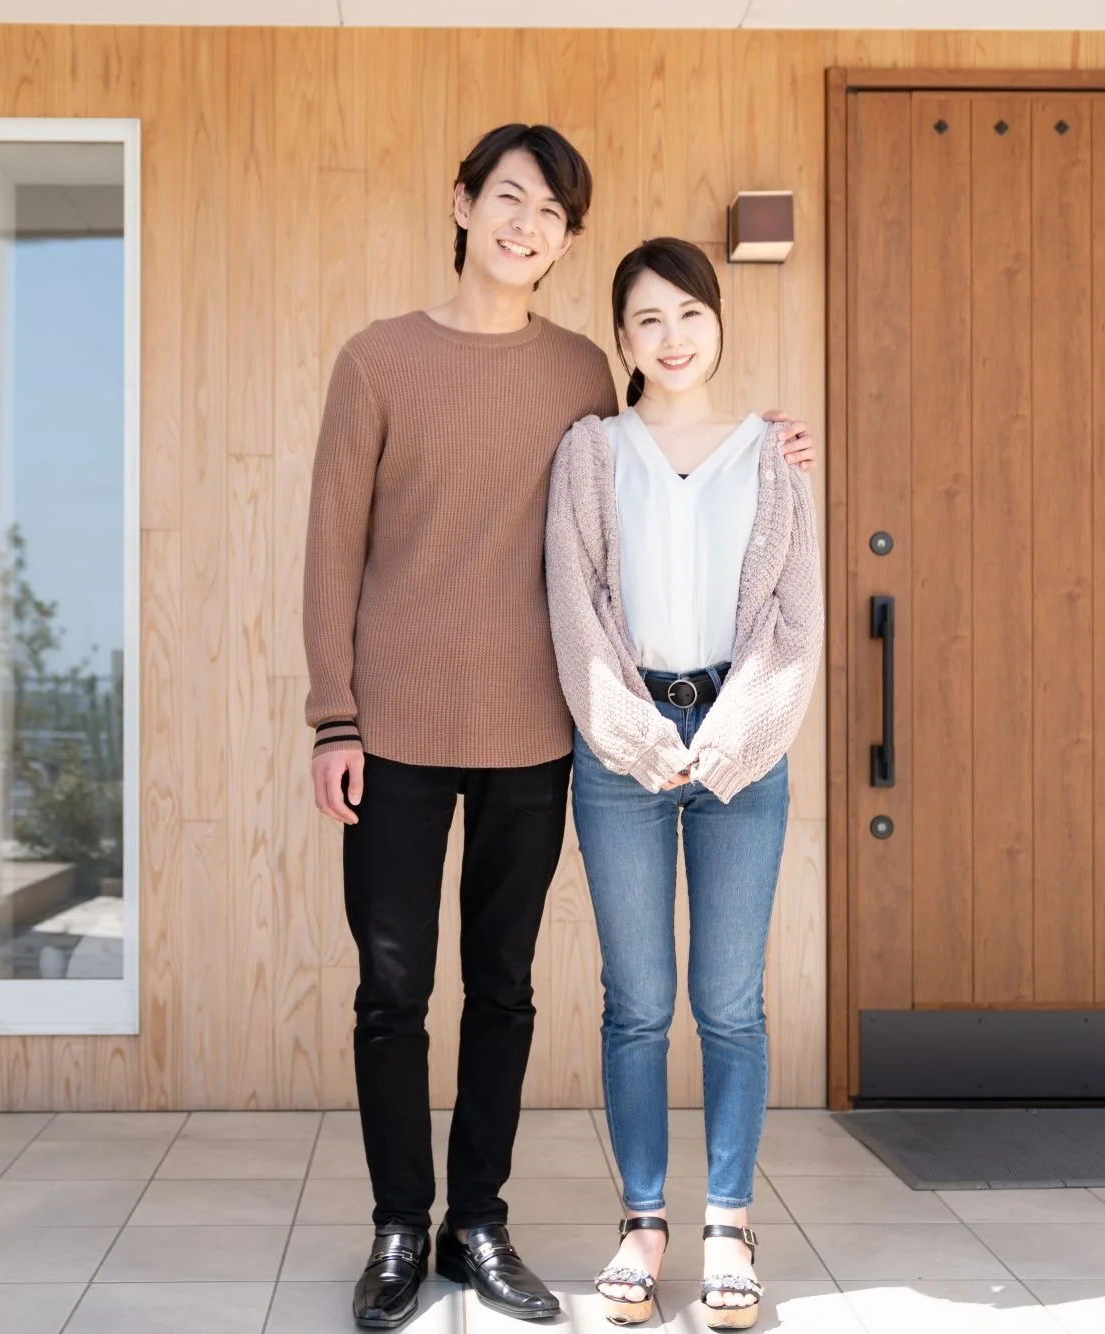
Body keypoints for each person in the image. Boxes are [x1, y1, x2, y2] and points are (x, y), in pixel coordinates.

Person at [304, 126, 814, 1329]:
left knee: (506, 987)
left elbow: (646, 482)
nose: (526, 224)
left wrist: (779, 448)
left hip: (541, 728)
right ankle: (395, 1224)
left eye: (551, 213)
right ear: (464, 202)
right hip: (395, 726)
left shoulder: (584, 373)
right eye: (508, 199)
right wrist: (335, 715)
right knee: (389, 989)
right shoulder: (375, 360)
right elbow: (331, 550)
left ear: (567, 242)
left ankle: (476, 1223)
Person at [545, 238, 824, 1330]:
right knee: (637, 1004)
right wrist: (629, 732)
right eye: (646, 319)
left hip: (741, 743)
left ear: (717, 322)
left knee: (728, 1004)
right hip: (620, 749)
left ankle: (726, 1226)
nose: (670, 336)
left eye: (687, 313)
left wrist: (731, 734)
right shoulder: (588, 450)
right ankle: (642, 1222)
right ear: (621, 339)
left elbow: (791, 617)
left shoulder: (771, 453)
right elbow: (572, 605)